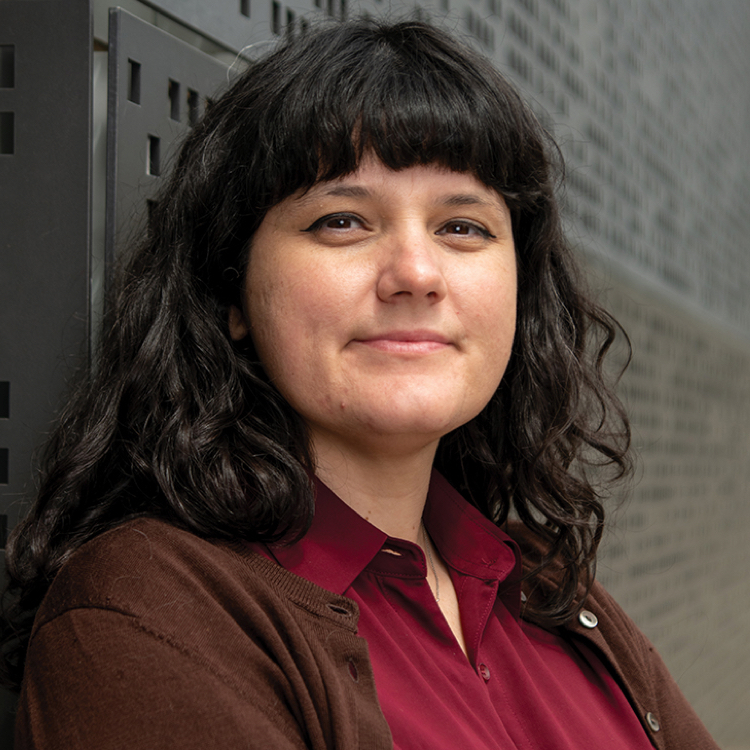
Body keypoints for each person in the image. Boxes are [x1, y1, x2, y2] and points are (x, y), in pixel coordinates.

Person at [1, 18, 718, 750]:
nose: (415, 273)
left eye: (463, 227)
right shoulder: (151, 616)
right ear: (233, 292)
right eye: (342, 221)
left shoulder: (544, 582)